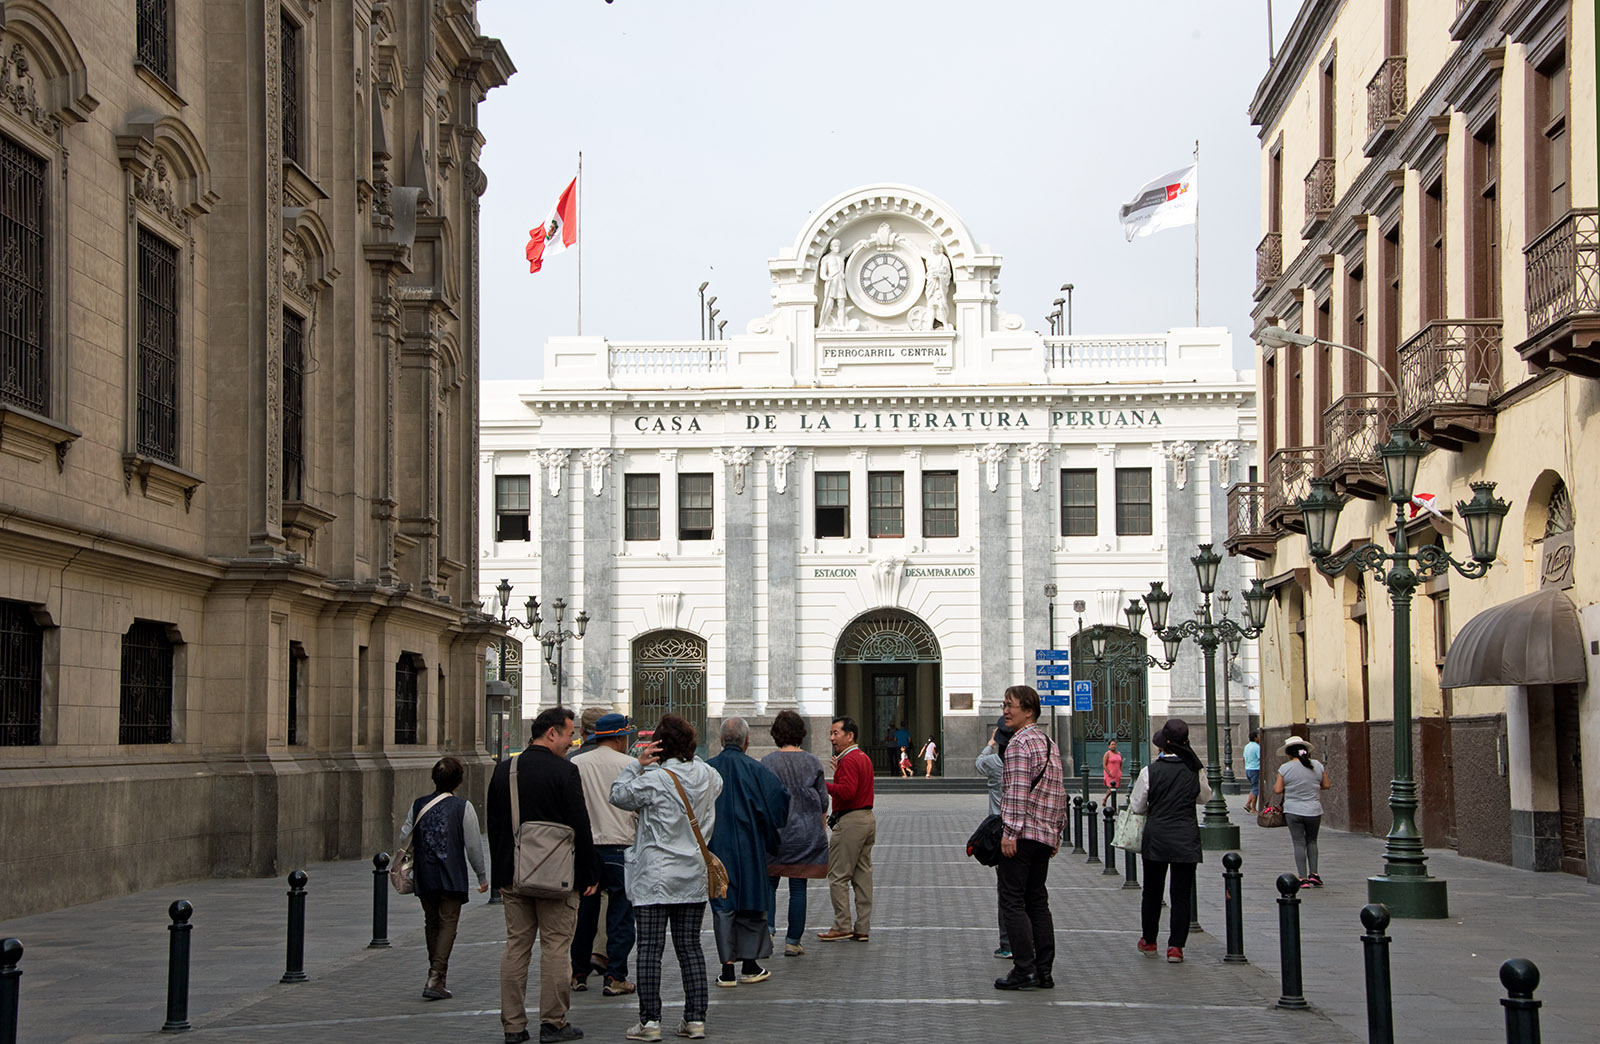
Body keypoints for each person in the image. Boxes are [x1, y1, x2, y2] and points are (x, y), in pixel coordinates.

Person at [487, 707, 599, 1044]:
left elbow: (494, 826)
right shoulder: (565, 772)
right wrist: (588, 873)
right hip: (558, 877)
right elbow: (580, 825)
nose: (571, 742)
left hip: (514, 875)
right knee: (556, 948)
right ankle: (553, 1022)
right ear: (551, 733)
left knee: (516, 947)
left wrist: (501, 875)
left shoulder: (505, 770)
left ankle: (513, 1026)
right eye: (569, 735)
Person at [609, 714, 723, 1042]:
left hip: (655, 876)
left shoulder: (655, 779)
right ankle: (695, 1019)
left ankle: (650, 1022)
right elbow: (713, 783)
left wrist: (638, 764)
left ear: (659, 746)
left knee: (649, 949)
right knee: (690, 948)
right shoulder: (709, 775)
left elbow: (618, 795)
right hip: (692, 875)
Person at [706, 717, 791, 987]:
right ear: (747, 741)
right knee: (752, 900)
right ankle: (751, 964)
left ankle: (727, 968)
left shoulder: (708, 769)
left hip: (717, 847)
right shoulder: (756, 769)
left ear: (721, 740)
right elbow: (779, 800)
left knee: (723, 904)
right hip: (749, 845)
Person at [993, 685, 1067, 991]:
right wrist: (1057, 832)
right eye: (1004, 705)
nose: (1005, 711)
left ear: (1028, 711)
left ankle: (1024, 969)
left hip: (1022, 836)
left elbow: (1017, 792)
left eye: (1010, 706)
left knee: (1012, 901)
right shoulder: (1049, 743)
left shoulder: (1018, 744)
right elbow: (1059, 792)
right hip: (1043, 837)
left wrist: (1009, 832)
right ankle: (1044, 970)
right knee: (1037, 901)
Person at [396, 755, 488, 1001]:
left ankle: (436, 975)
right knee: (448, 924)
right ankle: (436, 977)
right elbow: (473, 846)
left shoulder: (418, 804)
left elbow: (404, 834)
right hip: (451, 874)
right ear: (459, 782)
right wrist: (481, 876)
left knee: (432, 922)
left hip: (424, 874)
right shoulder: (463, 807)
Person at [1130, 718, 1210, 964]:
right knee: (1181, 895)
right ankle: (1176, 947)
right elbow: (1204, 798)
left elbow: (1137, 806)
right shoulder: (1195, 769)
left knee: (1152, 892)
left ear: (1162, 746)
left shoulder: (1150, 772)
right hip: (1186, 837)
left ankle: (1149, 940)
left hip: (1157, 838)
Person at [570, 713, 639, 998]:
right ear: (620, 738)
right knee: (620, 916)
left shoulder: (577, 763)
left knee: (584, 914)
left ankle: (578, 972)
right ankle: (615, 976)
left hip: (586, 848)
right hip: (620, 847)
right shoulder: (630, 765)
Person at [762, 710, 829, 957]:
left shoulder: (768, 762)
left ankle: (768, 931)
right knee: (798, 887)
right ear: (801, 733)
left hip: (775, 834)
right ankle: (793, 941)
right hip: (804, 834)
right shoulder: (812, 762)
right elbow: (823, 801)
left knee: (769, 884)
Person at [816, 716, 875, 942]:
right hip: (867, 818)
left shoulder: (849, 760)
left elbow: (848, 792)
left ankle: (842, 924)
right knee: (862, 876)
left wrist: (823, 785)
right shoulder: (862, 757)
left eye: (836, 733)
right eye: (831, 733)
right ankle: (862, 927)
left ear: (850, 736)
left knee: (838, 875)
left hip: (851, 822)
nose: (832, 738)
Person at [974, 719, 1015, 960]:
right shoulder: (1024, 763)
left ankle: (1008, 943)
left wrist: (989, 744)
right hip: (1027, 831)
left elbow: (979, 762)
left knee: (1007, 892)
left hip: (1001, 833)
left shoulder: (993, 763)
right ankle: (1031, 944)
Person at [1275, 735, 1333, 888]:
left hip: (1293, 810)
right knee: (1312, 841)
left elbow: (1277, 789)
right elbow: (1327, 785)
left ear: (1289, 753)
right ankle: (1314, 874)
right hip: (1313, 810)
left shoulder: (1285, 768)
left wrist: (1292, 788)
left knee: (1298, 843)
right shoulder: (1317, 765)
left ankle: (1302, 878)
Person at [819, 239, 848, 329]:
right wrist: (827, 278)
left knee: (841, 303)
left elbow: (851, 249)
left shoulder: (841, 256)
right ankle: (823, 323)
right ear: (831, 247)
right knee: (829, 304)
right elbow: (822, 273)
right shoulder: (826, 258)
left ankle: (842, 324)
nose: (837, 248)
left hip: (840, 282)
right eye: (835, 246)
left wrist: (860, 242)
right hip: (831, 283)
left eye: (838, 246)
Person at [1242, 730, 1263, 814]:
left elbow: (1243, 759)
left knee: (1254, 787)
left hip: (1248, 769)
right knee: (1255, 789)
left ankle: (1248, 804)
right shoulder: (1257, 747)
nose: (1259, 737)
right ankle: (1253, 808)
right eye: (1258, 736)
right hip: (1255, 769)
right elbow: (1260, 758)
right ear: (1255, 737)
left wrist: (1246, 767)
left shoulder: (1246, 746)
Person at [1102, 739, 1124, 805]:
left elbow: (1121, 763)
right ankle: (1105, 799)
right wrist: (1108, 773)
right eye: (1112, 744)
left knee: (1115, 789)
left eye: (1114, 744)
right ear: (1109, 746)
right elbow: (1104, 764)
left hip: (1117, 773)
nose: (1113, 746)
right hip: (1110, 774)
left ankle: (1113, 803)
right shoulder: (1107, 754)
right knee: (1111, 788)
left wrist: (1120, 771)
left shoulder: (1119, 754)